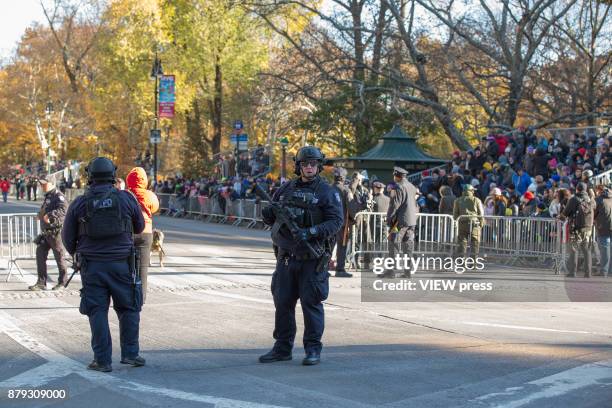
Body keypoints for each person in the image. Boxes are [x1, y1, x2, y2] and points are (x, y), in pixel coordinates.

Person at [259, 146, 343, 366]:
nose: (309, 167)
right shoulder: (286, 189)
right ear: (298, 166)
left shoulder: (327, 192)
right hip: (287, 257)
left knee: (311, 304)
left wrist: (311, 232)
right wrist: (268, 214)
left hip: (312, 259)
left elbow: (336, 221)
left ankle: (313, 349)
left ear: (318, 166)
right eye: (305, 164)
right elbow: (272, 216)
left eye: (313, 164)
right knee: (283, 303)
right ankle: (282, 348)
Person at [61, 157, 145, 372]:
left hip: (93, 266)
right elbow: (139, 225)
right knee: (128, 308)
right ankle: (130, 354)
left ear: (90, 176)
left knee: (97, 311)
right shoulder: (126, 198)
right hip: (122, 264)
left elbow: (67, 237)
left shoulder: (80, 202)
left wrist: (79, 253)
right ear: (112, 174)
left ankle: (102, 360)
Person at [29, 176, 69, 291]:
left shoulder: (59, 196)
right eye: (41, 184)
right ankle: (41, 282)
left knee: (59, 257)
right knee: (40, 254)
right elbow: (45, 209)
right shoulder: (48, 196)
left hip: (56, 233)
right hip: (46, 233)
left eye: (44, 184)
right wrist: (40, 214)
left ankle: (62, 282)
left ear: (51, 183)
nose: (42, 186)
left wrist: (50, 215)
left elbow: (63, 210)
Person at [126, 167, 160, 301]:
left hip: (128, 232)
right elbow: (155, 207)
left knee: (126, 266)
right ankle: (141, 298)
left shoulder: (125, 194)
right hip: (145, 232)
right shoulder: (150, 195)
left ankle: (126, 296)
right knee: (143, 268)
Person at [386, 167, 419, 278]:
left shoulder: (399, 187)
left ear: (397, 176)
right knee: (408, 246)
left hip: (399, 221)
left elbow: (395, 205)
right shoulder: (412, 186)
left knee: (393, 244)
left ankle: (391, 272)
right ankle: (407, 272)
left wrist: (389, 219)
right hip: (411, 221)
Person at [559, 182, 595, 278]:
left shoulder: (573, 199)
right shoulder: (590, 199)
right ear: (585, 189)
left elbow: (565, 213)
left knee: (574, 249)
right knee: (586, 250)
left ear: (577, 189)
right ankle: (588, 273)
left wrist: (560, 217)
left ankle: (572, 272)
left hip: (576, 229)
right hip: (588, 228)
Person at [331, 167, 352, 278]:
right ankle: (340, 269)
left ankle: (322, 269)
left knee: (328, 246)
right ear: (343, 178)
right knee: (341, 246)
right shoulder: (345, 190)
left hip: (329, 223)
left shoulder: (328, 189)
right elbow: (352, 206)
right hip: (342, 223)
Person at [453, 184, 484, 258]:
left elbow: (455, 214)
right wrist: (481, 223)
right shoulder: (477, 200)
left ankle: (461, 262)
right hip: (474, 223)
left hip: (462, 223)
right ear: (471, 191)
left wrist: (457, 222)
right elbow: (481, 213)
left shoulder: (457, 200)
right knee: (475, 242)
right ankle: (473, 263)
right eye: (473, 190)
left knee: (462, 243)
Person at [594, 185, 612, 277]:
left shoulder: (598, 199)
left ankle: (604, 271)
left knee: (605, 250)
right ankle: (610, 271)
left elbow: (593, 212)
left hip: (603, 227)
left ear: (599, 191)